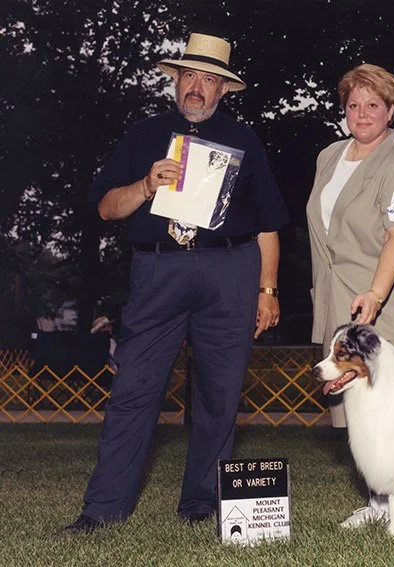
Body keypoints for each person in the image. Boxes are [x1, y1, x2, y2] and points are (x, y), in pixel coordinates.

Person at [64, 32, 289, 533]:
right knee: (134, 391)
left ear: (223, 91)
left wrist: (267, 290)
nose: (197, 87)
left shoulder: (245, 140)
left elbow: (269, 223)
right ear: (176, 80)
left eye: (209, 80)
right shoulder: (143, 134)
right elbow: (104, 208)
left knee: (220, 395)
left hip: (230, 270)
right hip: (158, 270)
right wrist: (144, 186)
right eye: (190, 76)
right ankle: (103, 509)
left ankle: (201, 506)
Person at [305, 63, 394, 528]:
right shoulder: (328, 156)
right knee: (362, 412)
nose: (362, 114)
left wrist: (376, 293)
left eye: (373, 105)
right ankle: (379, 503)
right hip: (341, 297)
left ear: (391, 110)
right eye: (353, 105)